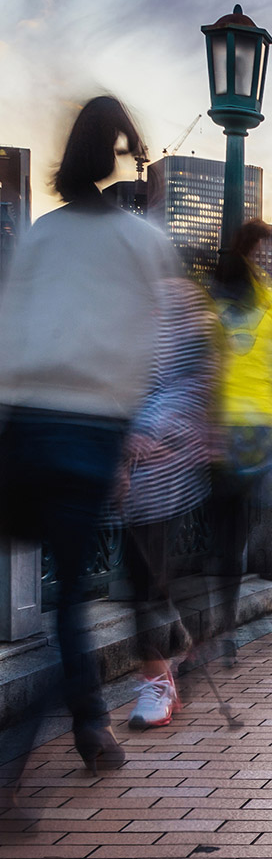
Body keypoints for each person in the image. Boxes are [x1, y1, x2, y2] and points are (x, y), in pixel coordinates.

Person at [0, 95, 178, 775]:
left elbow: (11, 332)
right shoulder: (145, 242)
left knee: (58, 599)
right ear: (124, 155)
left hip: (29, 423)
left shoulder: (43, 233)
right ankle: (65, 738)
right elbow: (156, 348)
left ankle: (90, 728)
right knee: (71, 596)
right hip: (94, 429)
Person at [116, 277, 219, 728]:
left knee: (152, 583)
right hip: (137, 483)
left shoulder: (196, 350)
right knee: (144, 582)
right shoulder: (140, 344)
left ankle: (160, 679)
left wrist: (158, 435)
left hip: (174, 484)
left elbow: (197, 402)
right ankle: (166, 667)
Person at [207, 219, 272, 665]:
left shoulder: (208, 295)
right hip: (261, 430)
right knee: (238, 532)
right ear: (260, 253)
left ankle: (213, 626)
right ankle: (226, 629)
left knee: (219, 533)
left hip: (214, 427)